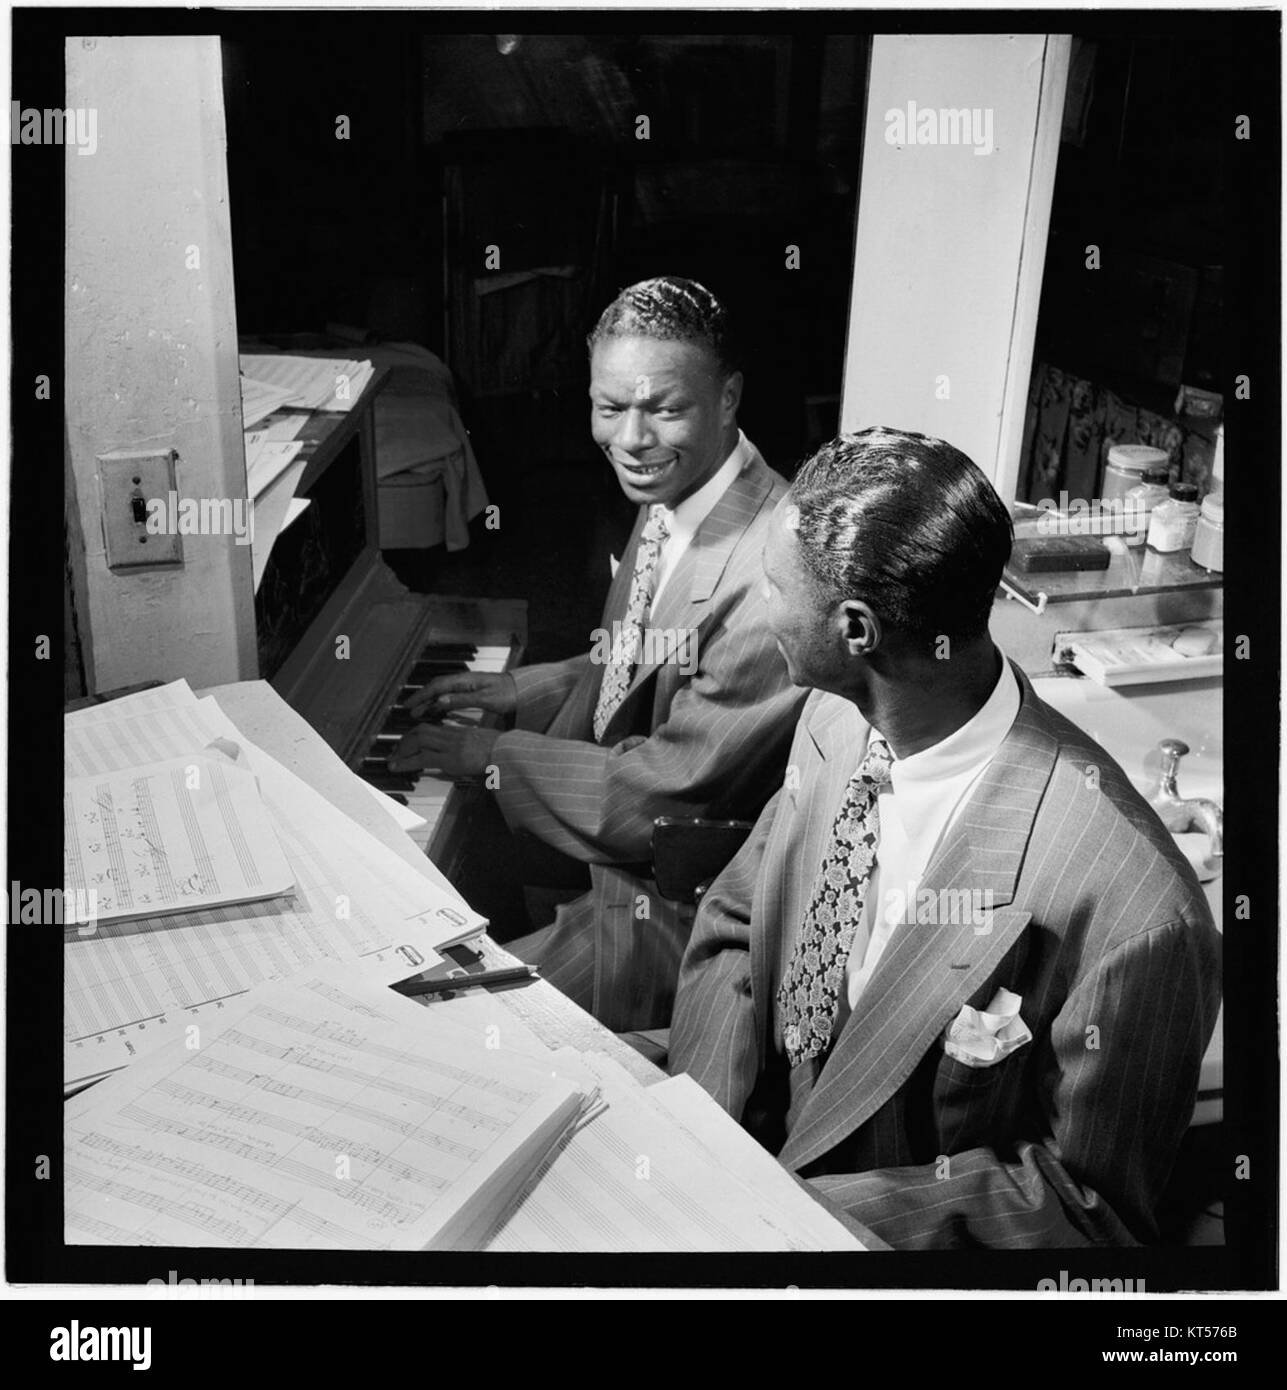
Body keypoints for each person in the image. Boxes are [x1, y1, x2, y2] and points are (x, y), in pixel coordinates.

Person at [668, 426, 1221, 1249]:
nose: (759, 608)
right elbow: (735, 932)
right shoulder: (830, 723)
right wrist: (704, 1149)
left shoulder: (1138, 912)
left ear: (855, 631)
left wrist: (786, 1221)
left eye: (773, 588)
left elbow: (1087, 1209)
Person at [391, 277, 807, 1031]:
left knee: (437, 1023)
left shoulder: (767, 584)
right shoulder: (683, 488)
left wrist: (488, 753)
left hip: (670, 918)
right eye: (609, 408)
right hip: (606, 867)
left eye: (664, 409)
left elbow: (664, 796)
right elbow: (643, 663)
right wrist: (526, 688)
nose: (631, 440)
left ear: (728, 398)